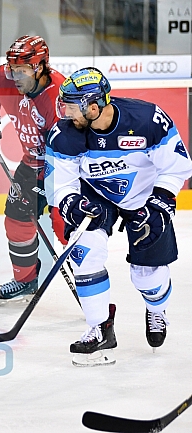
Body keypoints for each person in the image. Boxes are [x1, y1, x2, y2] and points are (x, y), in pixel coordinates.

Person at [45, 67, 192, 366]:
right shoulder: (65, 134)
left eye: (72, 106)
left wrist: (161, 203)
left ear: (93, 106)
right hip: (96, 197)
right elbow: (59, 183)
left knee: (146, 276)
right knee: (85, 252)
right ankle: (99, 327)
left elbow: (177, 165)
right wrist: (72, 202)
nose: (66, 112)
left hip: (145, 196)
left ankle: (156, 308)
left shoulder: (147, 120)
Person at [0, 35, 67, 306]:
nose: (15, 77)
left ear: (40, 68)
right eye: (13, 70)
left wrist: (55, 204)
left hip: (65, 168)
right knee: (16, 219)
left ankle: (89, 284)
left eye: (23, 71)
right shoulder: (5, 77)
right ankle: (26, 281)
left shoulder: (58, 97)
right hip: (32, 163)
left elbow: (65, 155)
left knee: (65, 229)